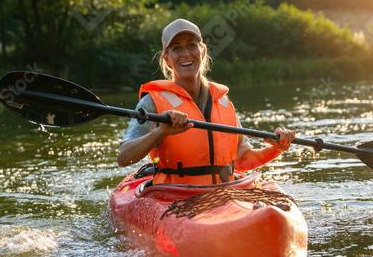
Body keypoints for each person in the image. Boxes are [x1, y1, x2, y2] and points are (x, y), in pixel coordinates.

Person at [117, 18, 295, 185]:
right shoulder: (151, 103)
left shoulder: (223, 103)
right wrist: (161, 132)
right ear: (167, 58)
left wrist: (278, 147)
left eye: (192, 45)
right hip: (174, 197)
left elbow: (242, 161)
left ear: (202, 50)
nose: (186, 54)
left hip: (222, 195)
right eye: (177, 48)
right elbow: (124, 157)